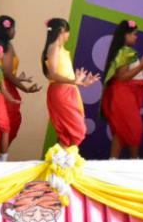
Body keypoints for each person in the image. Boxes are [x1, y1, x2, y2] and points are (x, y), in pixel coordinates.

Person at [101, 20, 143, 159]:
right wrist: (142, 64)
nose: (136, 37)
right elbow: (122, 77)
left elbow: (134, 73)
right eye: (134, 34)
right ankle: (134, 161)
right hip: (123, 95)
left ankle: (114, 160)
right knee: (135, 128)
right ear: (126, 35)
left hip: (126, 95)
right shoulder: (125, 52)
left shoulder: (125, 51)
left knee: (121, 129)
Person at [42, 18, 100, 148]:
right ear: (62, 31)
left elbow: (63, 74)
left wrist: (82, 83)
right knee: (78, 131)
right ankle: (64, 158)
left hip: (67, 91)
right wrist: (73, 81)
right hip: (62, 93)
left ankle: (61, 159)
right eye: (68, 31)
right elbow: (53, 74)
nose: (69, 35)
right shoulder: (54, 48)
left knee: (68, 134)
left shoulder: (60, 49)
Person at [0, 15, 41, 154]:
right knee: (8, 126)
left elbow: (1, 71)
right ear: (7, 30)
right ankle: (0, 161)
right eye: (13, 28)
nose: (15, 31)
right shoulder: (7, 47)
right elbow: (6, 73)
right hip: (4, 90)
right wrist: (25, 89)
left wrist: (18, 78)